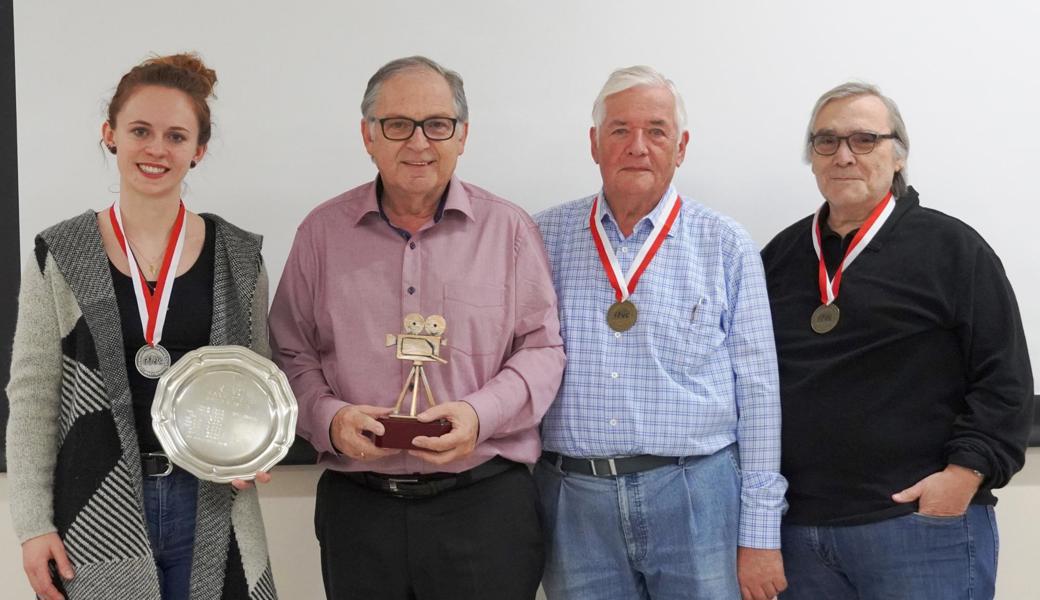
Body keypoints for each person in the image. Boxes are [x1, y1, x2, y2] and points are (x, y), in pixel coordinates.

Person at [268, 55, 565, 600]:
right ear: (368, 136)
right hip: (359, 510)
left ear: (462, 135)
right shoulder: (321, 233)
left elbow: (543, 349)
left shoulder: (510, 231)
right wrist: (330, 419)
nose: (419, 143)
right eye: (398, 124)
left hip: (485, 505)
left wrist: (480, 415)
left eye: (437, 125)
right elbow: (290, 350)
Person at [5, 53, 278, 600]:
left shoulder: (239, 257)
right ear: (110, 135)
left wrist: (257, 448)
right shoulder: (61, 253)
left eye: (176, 136)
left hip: (213, 508)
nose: (157, 149)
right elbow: (34, 397)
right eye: (140, 130)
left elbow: (257, 383)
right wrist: (34, 525)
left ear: (197, 152)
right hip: (94, 507)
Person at [761, 82, 1033, 600]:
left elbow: (1005, 378)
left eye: (865, 139)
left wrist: (963, 474)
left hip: (918, 529)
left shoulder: (954, 249)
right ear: (812, 158)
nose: (843, 155)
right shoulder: (778, 258)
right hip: (798, 537)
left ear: (898, 155)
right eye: (826, 141)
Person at [534, 65, 788, 600]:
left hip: (698, 495)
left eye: (656, 130)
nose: (637, 146)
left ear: (681, 146)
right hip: (574, 502)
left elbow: (760, 395)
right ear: (594, 143)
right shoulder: (541, 238)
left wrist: (761, 535)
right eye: (620, 130)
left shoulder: (725, 244)